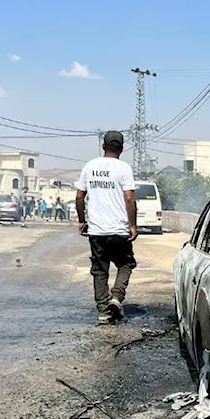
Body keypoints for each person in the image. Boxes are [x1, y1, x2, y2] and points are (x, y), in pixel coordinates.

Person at [75, 131, 138, 325]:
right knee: (126, 264)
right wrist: (133, 225)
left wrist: (82, 220)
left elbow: (79, 196)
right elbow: (129, 198)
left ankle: (103, 311)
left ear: (103, 146)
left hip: (96, 231)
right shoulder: (124, 168)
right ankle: (116, 297)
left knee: (100, 270)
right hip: (118, 229)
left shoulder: (90, 166)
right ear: (121, 148)